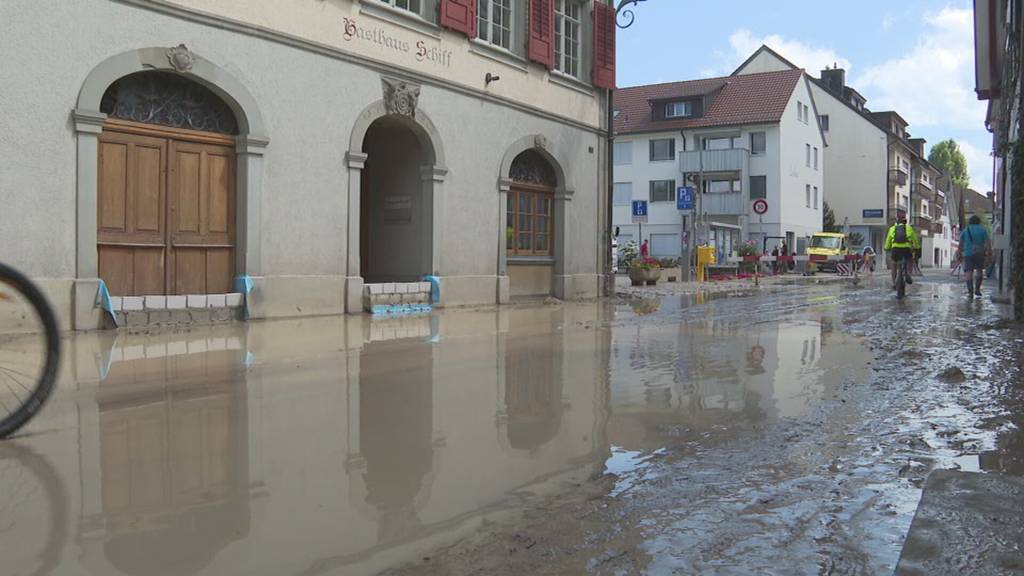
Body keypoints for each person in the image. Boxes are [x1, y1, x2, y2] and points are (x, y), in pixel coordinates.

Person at [884, 212, 920, 289]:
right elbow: (915, 240)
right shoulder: (909, 228)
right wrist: (917, 247)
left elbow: (888, 241)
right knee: (910, 260)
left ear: (897, 220)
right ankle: (908, 274)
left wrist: (887, 248)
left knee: (894, 265)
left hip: (895, 249)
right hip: (906, 249)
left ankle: (894, 283)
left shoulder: (892, 228)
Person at [959, 215, 990, 298]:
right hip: (980, 253)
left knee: (969, 272)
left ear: (970, 222)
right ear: (979, 221)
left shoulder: (966, 231)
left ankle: (970, 292)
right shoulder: (983, 230)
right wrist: (989, 253)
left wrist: (959, 253)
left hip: (968, 254)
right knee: (979, 271)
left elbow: (961, 244)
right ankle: (977, 289)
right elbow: (988, 243)